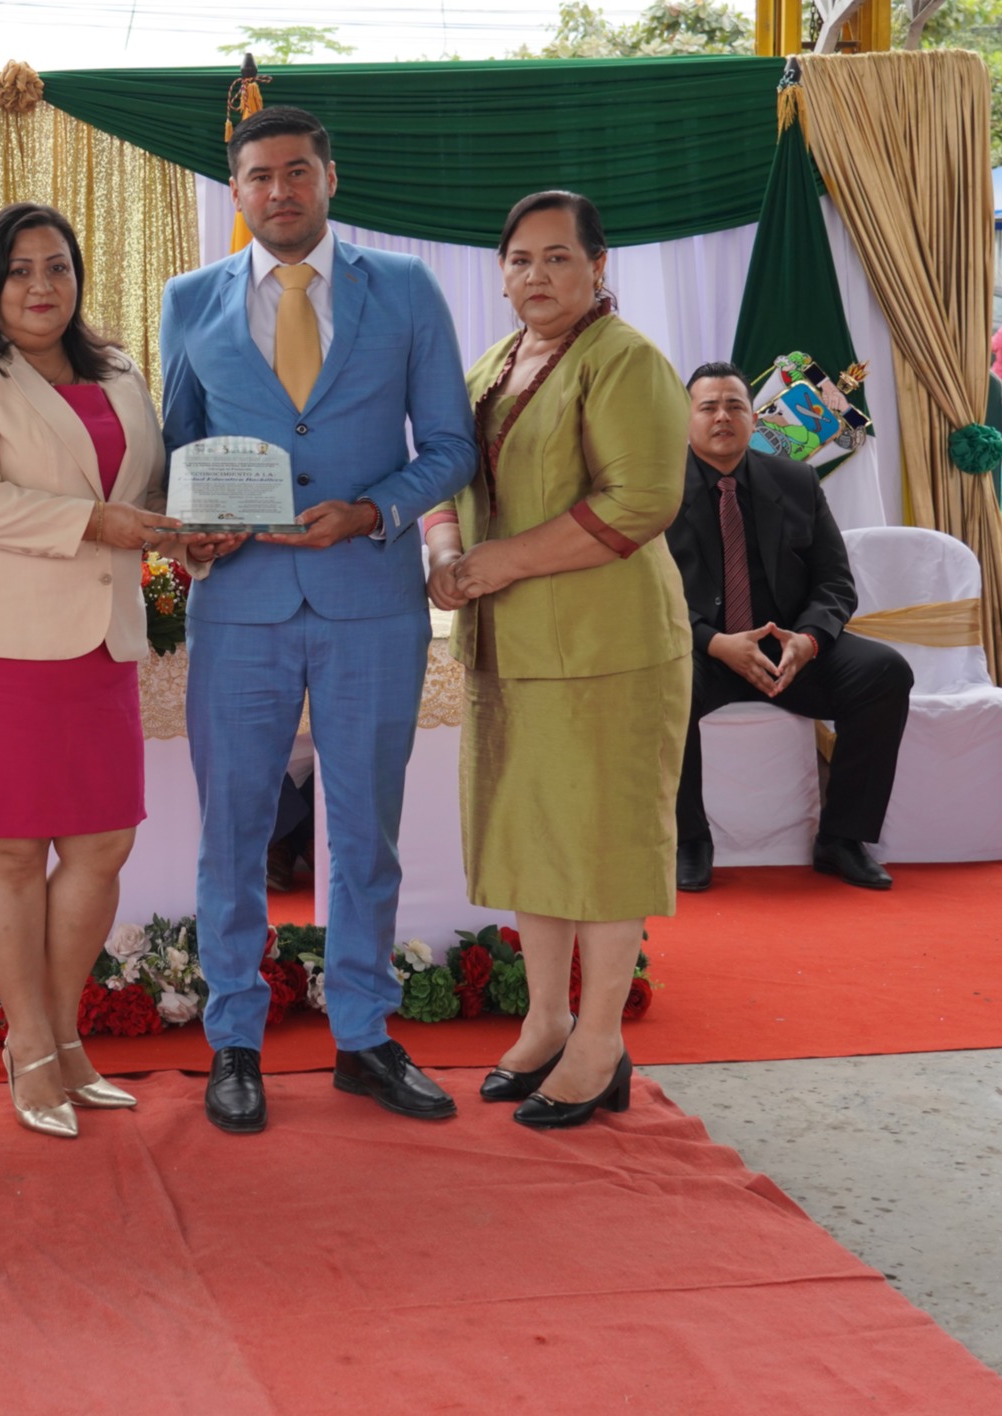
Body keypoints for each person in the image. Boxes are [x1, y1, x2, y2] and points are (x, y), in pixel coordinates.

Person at [160, 106, 475, 1134]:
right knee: (232, 834)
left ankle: (363, 1036)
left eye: (297, 171)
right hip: (239, 605)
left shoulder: (407, 288)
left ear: (329, 179)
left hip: (370, 600)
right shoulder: (188, 299)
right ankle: (234, 1041)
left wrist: (373, 512)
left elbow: (449, 446)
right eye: (259, 176)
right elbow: (177, 448)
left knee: (364, 832)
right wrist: (191, 535)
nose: (279, 191)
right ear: (236, 191)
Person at [425, 190, 690, 1129]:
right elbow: (444, 469)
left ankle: (601, 1043)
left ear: (598, 265)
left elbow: (641, 500)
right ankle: (546, 1021)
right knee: (533, 838)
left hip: (610, 648)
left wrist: (499, 562)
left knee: (605, 845)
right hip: (514, 646)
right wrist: (444, 549)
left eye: (557, 257)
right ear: (500, 274)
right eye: (520, 260)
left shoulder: (626, 360)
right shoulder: (493, 363)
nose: (536, 276)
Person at [0, 202, 176, 1138]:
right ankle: (28, 1045)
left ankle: (63, 1037)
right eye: (20, 269)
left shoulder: (119, 369)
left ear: (77, 276)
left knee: (103, 844)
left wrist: (184, 531)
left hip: (98, 640)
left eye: (56, 266)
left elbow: (143, 489)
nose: (40, 285)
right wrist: (96, 524)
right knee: (15, 851)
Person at [667, 361, 910, 893]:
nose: (722, 417)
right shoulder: (654, 489)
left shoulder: (795, 481)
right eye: (708, 407)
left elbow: (835, 581)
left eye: (735, 406)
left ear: (754, 419)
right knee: (659, 682)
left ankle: (842, 838)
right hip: (701, 649)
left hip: (787, 651)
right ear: (685, 418)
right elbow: (645, 596)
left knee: (885, 672)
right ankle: (689, 841)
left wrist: (809, 639)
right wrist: (714, 642)